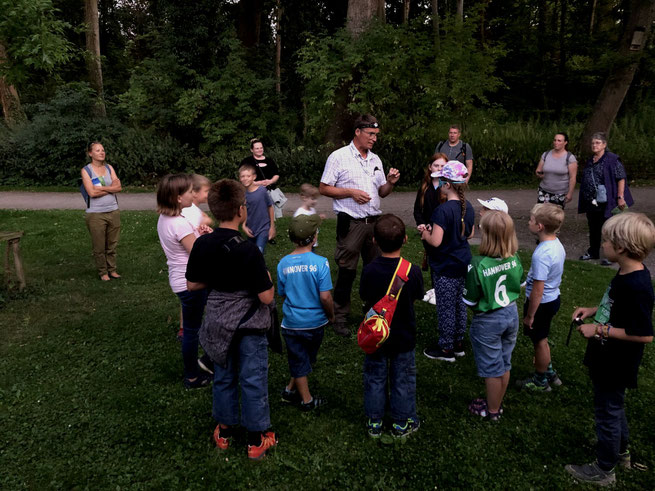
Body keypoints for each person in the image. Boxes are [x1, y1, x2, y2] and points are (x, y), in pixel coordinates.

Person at [186, 179, 277, 460]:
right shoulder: (249, 250)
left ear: (213, 209)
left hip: (216, 323)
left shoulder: (202, 243)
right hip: (249, 327)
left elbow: (192, 285)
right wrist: (269, 280)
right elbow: (266, 298)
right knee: (252, 379)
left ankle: (224, 432)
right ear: (242, 210)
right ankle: (256, 439)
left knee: (223, 377)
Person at [565, 212, 655, 486]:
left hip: (616, 361)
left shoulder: (638, 285)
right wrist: (594, 310)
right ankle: (620, 453)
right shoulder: (626, 272)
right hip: (606, 356)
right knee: (613, 407)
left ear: (621, 247)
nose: (601, 244)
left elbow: (643, 335)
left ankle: (605, 469)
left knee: (608, 410)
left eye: (605, 241)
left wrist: (599, 329)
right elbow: (617, 306)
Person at [319, 114, 400, 336]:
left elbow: (382, 192)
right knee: (347, 271)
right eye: (370, 134)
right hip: (351, 224)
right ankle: (339, 317)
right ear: (358, 132)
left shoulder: (376, 160)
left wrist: (390, 183)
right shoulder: (339, 157)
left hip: (374, 225)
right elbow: (324, 187)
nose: (374, 139)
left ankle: (372, 312)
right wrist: (350, 192)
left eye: (376, 135)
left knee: (375, 271)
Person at [359, 214, 424, 438]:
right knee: (403, 379)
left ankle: (374, 422)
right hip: (404, 335)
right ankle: (401, 423)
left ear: (374, 241)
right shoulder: (413, 272)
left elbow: (365, 296)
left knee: (375, 376)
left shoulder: (369, 270)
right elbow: (416, 296)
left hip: (376, 336)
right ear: (405, 239)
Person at [464, 211, 522, 421]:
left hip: (488, 319)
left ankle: (493, 411)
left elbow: (469, 300)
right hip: (511, 313)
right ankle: (496, 401)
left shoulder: (477, 264)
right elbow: (519, 283)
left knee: (491, 368)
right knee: (504, 362)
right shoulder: (514, 258)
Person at [156, 174, 212, 389]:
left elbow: (190, 245)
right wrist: (207, 238)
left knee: (205, 319)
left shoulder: (166, 218)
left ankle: (209, 360)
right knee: (191, 331)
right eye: (189, 191)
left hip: (181, 279)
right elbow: (198, 254)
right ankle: (192, 376)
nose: (192, 194)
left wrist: (198, 233)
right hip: (190, 283)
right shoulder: (178, 224)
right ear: (178, 197)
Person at [277, 214, 334, 411]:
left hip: (292, 323)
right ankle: (307, 401)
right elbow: (325, 297)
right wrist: (332, 316)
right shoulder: (321, 263)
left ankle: (289, 389)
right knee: (303, 359)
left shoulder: (283, 263)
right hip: (315, 323)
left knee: (300, 358)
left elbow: (283, 293)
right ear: (315, 237)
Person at [420, 161, 475, 362]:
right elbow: (469, 234)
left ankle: (445, 349)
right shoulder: (467, 206)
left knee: (446, 307)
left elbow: (436, 241)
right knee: (460, 305)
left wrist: (426, 234)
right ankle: (459, 342)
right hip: (463, 263)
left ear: (448, 184)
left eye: (442, 179)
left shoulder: (442, 211)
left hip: (445, 267)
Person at [517, 203, 566, 392]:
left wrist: (530, 315)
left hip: (541, 303)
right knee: (542, 338)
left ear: (540, 226)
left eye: (531, 220)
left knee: (539, 341)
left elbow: (538, 289)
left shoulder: (542, 254)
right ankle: (549, 372)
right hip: (553, 298)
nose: (528, 222)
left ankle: (540, 381)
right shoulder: (556, 244)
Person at [578, 132, 634, 266]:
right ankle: (593, 251)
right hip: (592, 201)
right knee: (593, 227)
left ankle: (613, 254)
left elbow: (621, 178)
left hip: (609, 201)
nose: (594, 145)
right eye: (592, 143)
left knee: (610, 229)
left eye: (597, 143)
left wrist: (620, 197)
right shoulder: (591, 160)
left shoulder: (612, 159)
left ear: (604, 144)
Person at [81, 142, 122, 281]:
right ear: (90, 153)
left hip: (113, 211)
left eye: (103, 150)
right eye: (97, 150)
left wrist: (102, 189)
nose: (101, 152)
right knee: (99, 246)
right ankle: (103, 272)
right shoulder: (86, 170)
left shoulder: (109, 168)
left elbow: (119, 187)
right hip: (96, 214)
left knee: (112, 245)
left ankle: (112, 270)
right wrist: (110, 188)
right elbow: (91, 193)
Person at [240, 138, 285, 225]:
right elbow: (243, 177)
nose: (259, 150)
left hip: (268, 191)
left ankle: (269, 231)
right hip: (253, 192)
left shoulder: (270, 161)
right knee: (255, 214)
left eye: (261, 148)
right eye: (257, 148)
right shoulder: (247, 162)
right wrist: (256, 183)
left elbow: (276, 174)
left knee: (269, 214)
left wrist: (270, 181)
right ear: (251, 150)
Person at [239, 162, 275, 254]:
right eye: (243, 176)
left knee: (258, 252)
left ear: (254, 177)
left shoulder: (262, 191)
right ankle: (263, 268)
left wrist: (272, 227)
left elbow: (270, 207)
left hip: (263, 228)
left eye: (248, 176)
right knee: (252, 253)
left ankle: (262, 268)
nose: (245, 178)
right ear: (240, 178)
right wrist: (244, 226)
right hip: (251, 229)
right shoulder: (242, 194)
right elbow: (244, 211)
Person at [535, 132, 578, 208]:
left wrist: (570, 193)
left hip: (560, 193)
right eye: (555, 140)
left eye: (559, 140)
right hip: (544, 191)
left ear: (565, 143)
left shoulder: (569, 158)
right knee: (541, 216)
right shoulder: (546, 154)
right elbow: (538, 170)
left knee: (554, 217)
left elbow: (572, 178)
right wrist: (539, 174)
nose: (556, 142)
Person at [413, 153, 447, 235]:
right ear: (430, 167)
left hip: (443, 230)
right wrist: (421, 223)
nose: (439, 169)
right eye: (436, 166)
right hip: (427, 230)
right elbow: (417, 209)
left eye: (442, 166)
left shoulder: (449, 187)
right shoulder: (425, 186)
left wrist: (434, 225)